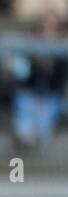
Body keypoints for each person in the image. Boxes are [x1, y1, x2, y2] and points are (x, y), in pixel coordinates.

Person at [12, 7, 67, 152]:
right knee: (24, 102)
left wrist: (49, 65)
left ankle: (37, 139)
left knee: (47, 109)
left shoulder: (63, 50)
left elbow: (60, 81)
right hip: (30, 94)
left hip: (51, 96)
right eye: (44, 25)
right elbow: (23, 77)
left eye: (51, 26)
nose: (47, 30)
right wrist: (35, 62)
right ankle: (25, 139)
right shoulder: (30, 47)